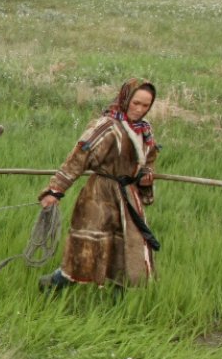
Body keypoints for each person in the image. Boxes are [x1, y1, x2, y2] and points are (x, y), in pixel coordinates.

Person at [38, 78, 160, 291]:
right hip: (99, 197)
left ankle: (118, 302)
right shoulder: (106, 126)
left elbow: (149, 161)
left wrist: (145, 175)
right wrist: (55, 191)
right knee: (87, 249)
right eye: (136, 103)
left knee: (128, 250)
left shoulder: (144, 130)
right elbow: (78, 157)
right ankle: (53, 285)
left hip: (128, 198)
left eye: (146, 105)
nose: (140, 109)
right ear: (125, 99)